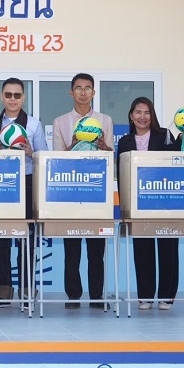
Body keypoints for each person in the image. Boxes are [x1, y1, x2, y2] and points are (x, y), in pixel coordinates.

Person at [0, 78, 48, 308]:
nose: (12, 99)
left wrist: (30, 151)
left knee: (26, 240)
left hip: (26, 184)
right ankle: (2, 292)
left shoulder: (34, 124)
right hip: (0, 184)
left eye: (17, 95)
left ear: (23, 98)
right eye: (8, 94)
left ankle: (27, 293)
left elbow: (44, 157)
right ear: (1, 96)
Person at [51, 73, 114, 311]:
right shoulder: (60, 121)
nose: (83, 92)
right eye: (78, 88)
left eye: (88, 88)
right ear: (71, 93)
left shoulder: (105, 120)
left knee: (97, 250)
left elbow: (111, 158)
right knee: (72, 248)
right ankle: (73, 295)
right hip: (71, 190)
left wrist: (105, 148)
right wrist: (74, 143)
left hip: (97, 192)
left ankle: (97, 295)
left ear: (94, 93)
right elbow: (57, 159)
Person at [116, 96, 182, 310]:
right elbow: (121, 175)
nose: (142, 117)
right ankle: (145, 295)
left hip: (165, 201)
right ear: (131, 116)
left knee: (168, 249)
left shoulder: (165, 135)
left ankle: (166, 296)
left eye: (146, 112)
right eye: (138, 112)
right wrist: (125, 207)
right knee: (142, 250)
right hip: (138, 205)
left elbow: (175, 164)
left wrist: (183, 139)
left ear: (152, 115)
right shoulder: (124, 142)